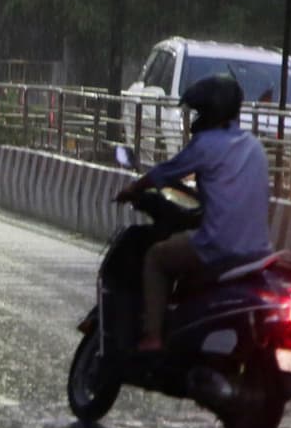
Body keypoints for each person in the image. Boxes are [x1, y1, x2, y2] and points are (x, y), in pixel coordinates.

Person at [114, 74, 271, 352]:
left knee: (155, 258)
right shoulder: (254, 146)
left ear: (209, 112)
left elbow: (163, 173)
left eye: (199, 112)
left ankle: (153, 337)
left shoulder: (206, 144)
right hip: (258, 252)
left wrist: (132, 189)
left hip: (217, 247)